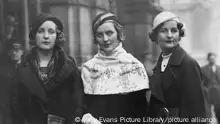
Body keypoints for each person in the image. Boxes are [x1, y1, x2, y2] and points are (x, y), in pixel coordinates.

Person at [11, 13, 85, 124]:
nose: (46, 36)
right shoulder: (21, 67)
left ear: (57, 36)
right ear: (34, 35)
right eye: (41, 31)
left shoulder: (69, 67)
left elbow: (78, 104)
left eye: (51, 32)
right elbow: (15, 105)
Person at [80, 12, 150, 124]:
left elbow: (141, 114)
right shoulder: (88, 69)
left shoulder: (134, 67)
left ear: (118, 34)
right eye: (99, 35)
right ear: (95, 38)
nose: (105, 39)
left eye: (109, 33)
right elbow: (82, 108)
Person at [148, 11, 208, 120]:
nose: (169, 35)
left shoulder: (188, 64)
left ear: (179, 35)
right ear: (155, 36)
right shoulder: (159, 64)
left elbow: (197, 111)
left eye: (174, 30)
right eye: (163, 31)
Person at [202, 52, 220, 122]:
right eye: (210, 59)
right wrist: (205, 89)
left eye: (213, 59)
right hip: (207, 93)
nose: (212, 60)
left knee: (218, 109)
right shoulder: (203, 69)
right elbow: (201, 82)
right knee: (207, 110)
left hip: (218, 93)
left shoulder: (219, 68)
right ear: (208, 59)